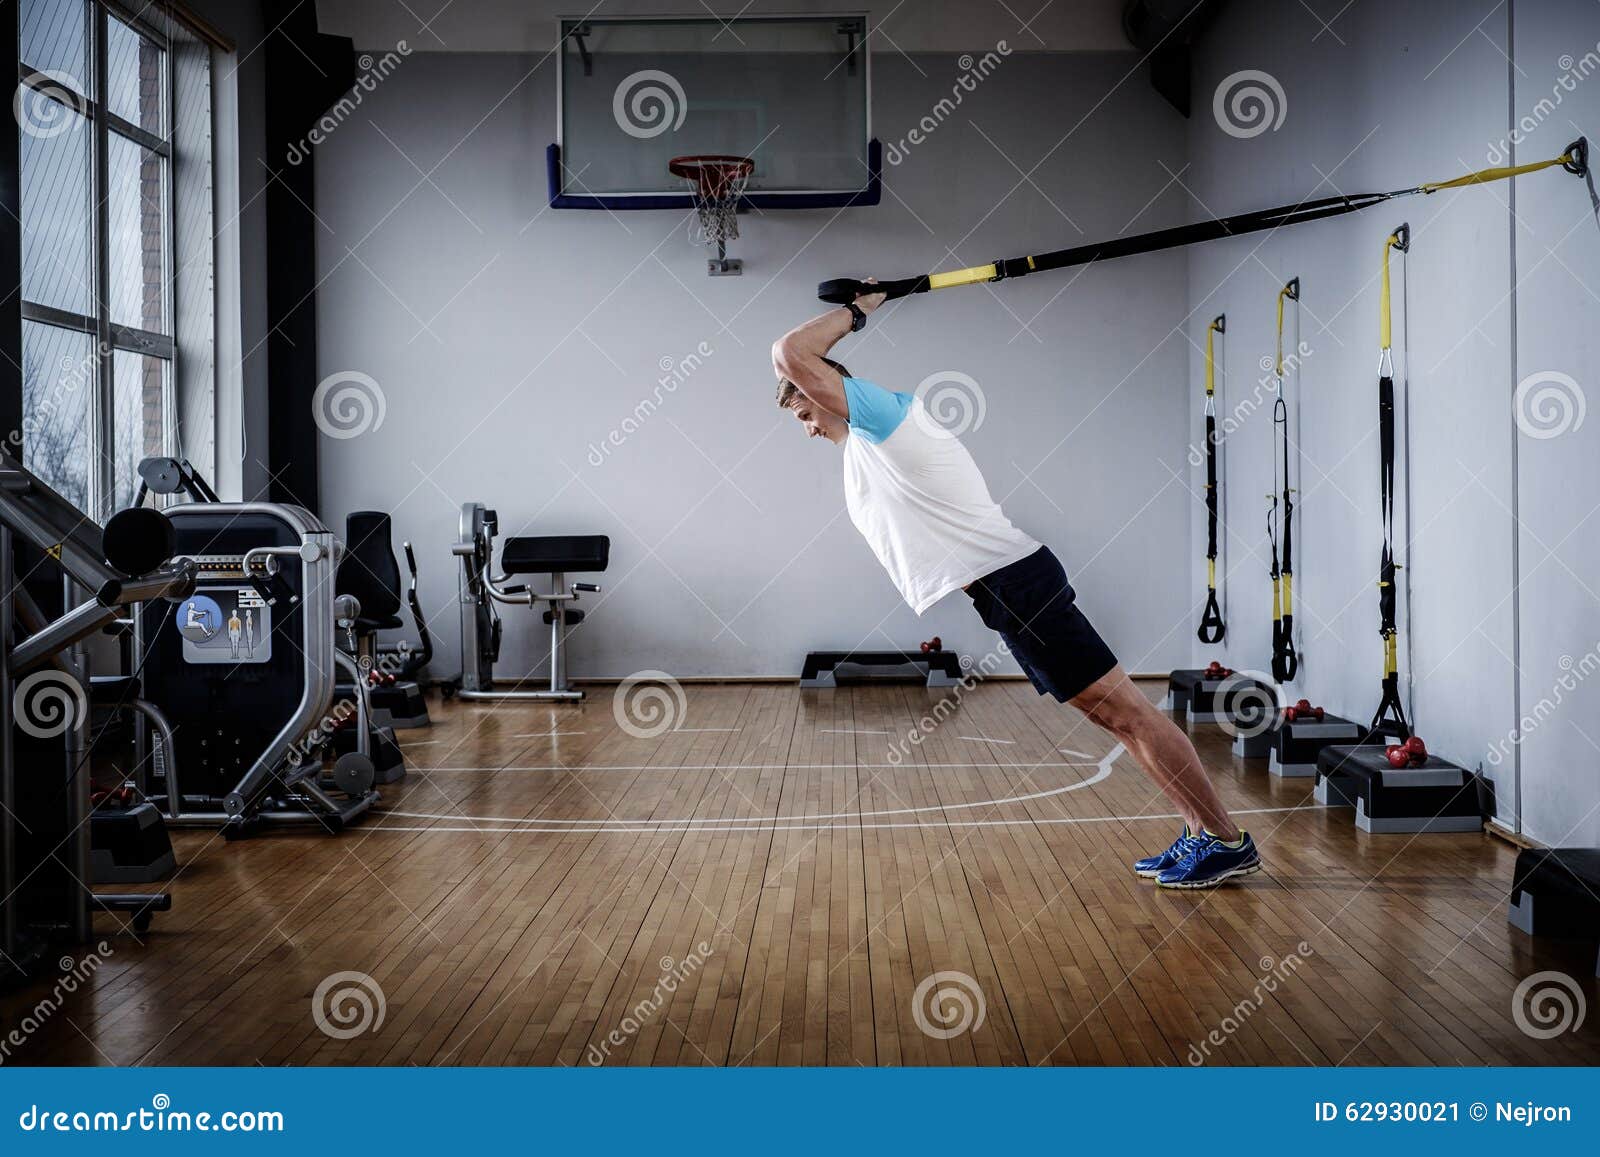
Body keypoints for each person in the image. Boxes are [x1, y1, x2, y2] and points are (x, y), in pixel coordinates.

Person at [771, 283, 1259, 888]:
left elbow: (790, 351)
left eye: (803, 412)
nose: (806, 429)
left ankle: (1225, 840)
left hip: (1019, 587)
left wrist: (857, 310)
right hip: (1006, 593)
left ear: (831, 389)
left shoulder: (888, 420)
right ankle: (1200, 832)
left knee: (1130, 714)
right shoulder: (866, 449)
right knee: (1117, 720)